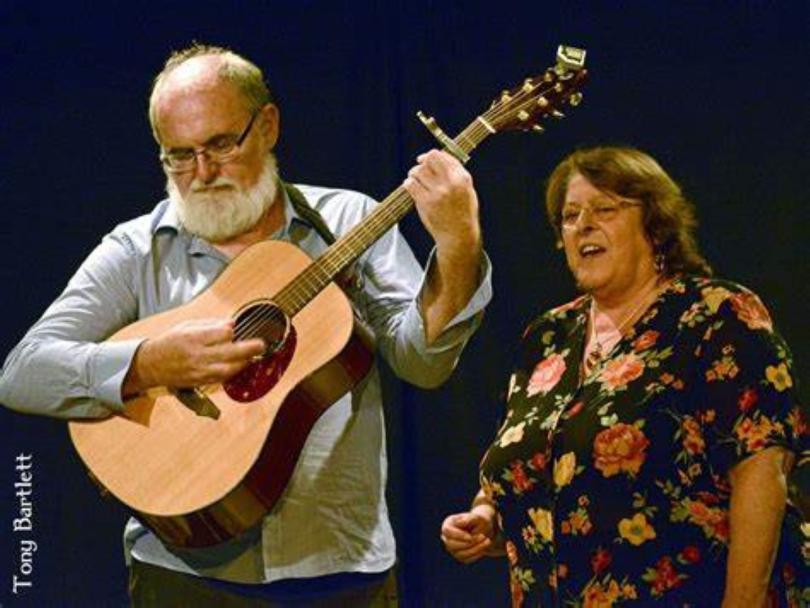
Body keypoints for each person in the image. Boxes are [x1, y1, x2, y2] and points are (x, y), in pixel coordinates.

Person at [0, 43, 492, 606]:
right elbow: (20, 372)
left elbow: (423, 365)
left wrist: (458, 245)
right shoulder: (137, 248)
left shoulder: (349, 221)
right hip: (181, 574)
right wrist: (147, 362)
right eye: (178, 155)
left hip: (340, 567)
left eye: (219, 144)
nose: (202, 173)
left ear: (268, 126)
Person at [441, 146, 807, 606]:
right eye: (570, 216)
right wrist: (487, 514)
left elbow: (761, 472)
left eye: (604, 209)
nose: (583, 225)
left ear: (655, 224)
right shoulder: (549, 335)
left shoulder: (715, 315)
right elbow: (531, 456)